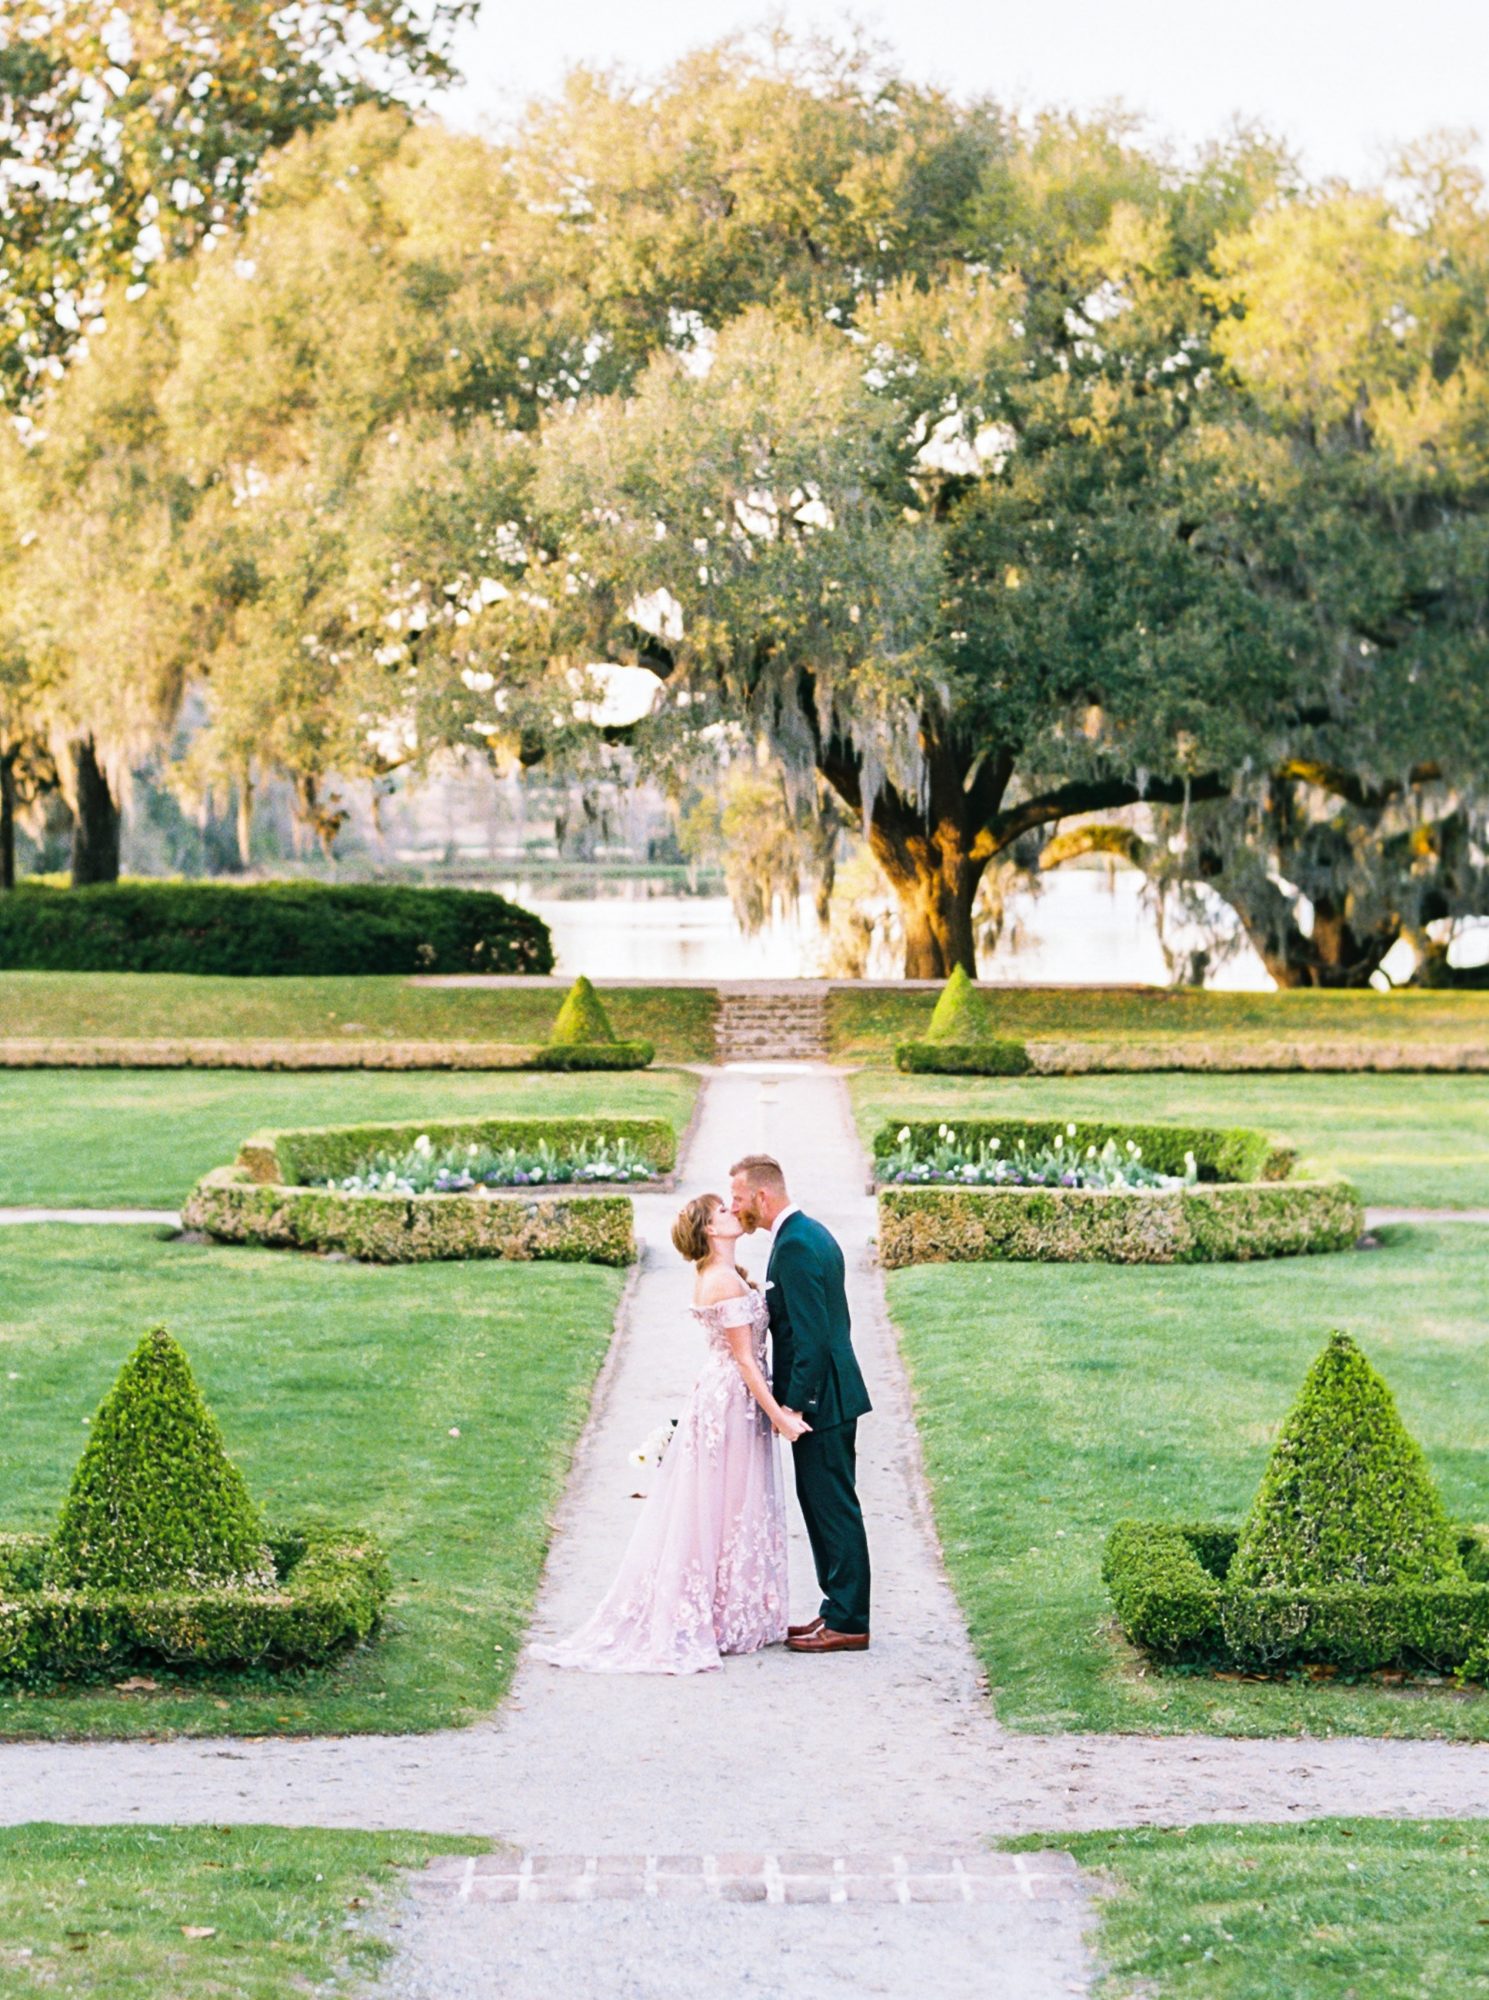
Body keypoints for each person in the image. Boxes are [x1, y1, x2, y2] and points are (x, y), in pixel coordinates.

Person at [535, 1193, 803, 1674]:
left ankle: (731, 1609)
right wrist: (780, 1416)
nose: (731, 1213)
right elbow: (744, 1360)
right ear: (709, 1231)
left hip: (727, 1394)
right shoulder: (720, 1280)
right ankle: (723, 1614)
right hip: (733, 1398)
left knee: (727, 1502)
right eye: (721, 1211)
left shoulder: (724, 1274)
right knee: (730, 1501)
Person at [729, 1153, 873, 1653]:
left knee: (833, 1507)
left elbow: (811, 1339)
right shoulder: (807, 1234)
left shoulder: (794, 1245)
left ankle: (850, 1620)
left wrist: (795, 1407)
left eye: (739, 1199)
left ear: (762, 1198)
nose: (735, 1207)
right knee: (821, 1504)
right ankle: (835, 1609)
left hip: (824, 1401)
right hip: (830, 1395)